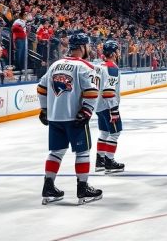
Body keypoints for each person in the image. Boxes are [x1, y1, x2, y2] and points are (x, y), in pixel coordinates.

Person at [36, 32, 103, 205]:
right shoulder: (84, 66)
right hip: (74, 117)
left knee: (56, 152)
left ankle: (48, 186)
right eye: (88, 45)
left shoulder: (55, 64)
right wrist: (87, 111)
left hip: (55, 117)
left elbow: (41, 88)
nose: (89, 48)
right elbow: (91, 91)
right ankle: (83, 188)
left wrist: (44, 110)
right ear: (82, 47)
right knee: (83, 152)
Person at [95, 40, 125, 174]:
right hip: (108, 105)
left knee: (104, 132)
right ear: (113, 53)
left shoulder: (98, 66)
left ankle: (100, 161)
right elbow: (109, 91)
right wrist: (114, 110)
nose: (119, 53)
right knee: (115, 133)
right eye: (117, 50)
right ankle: (109, 161)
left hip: (98, 105)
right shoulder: (111, 67)